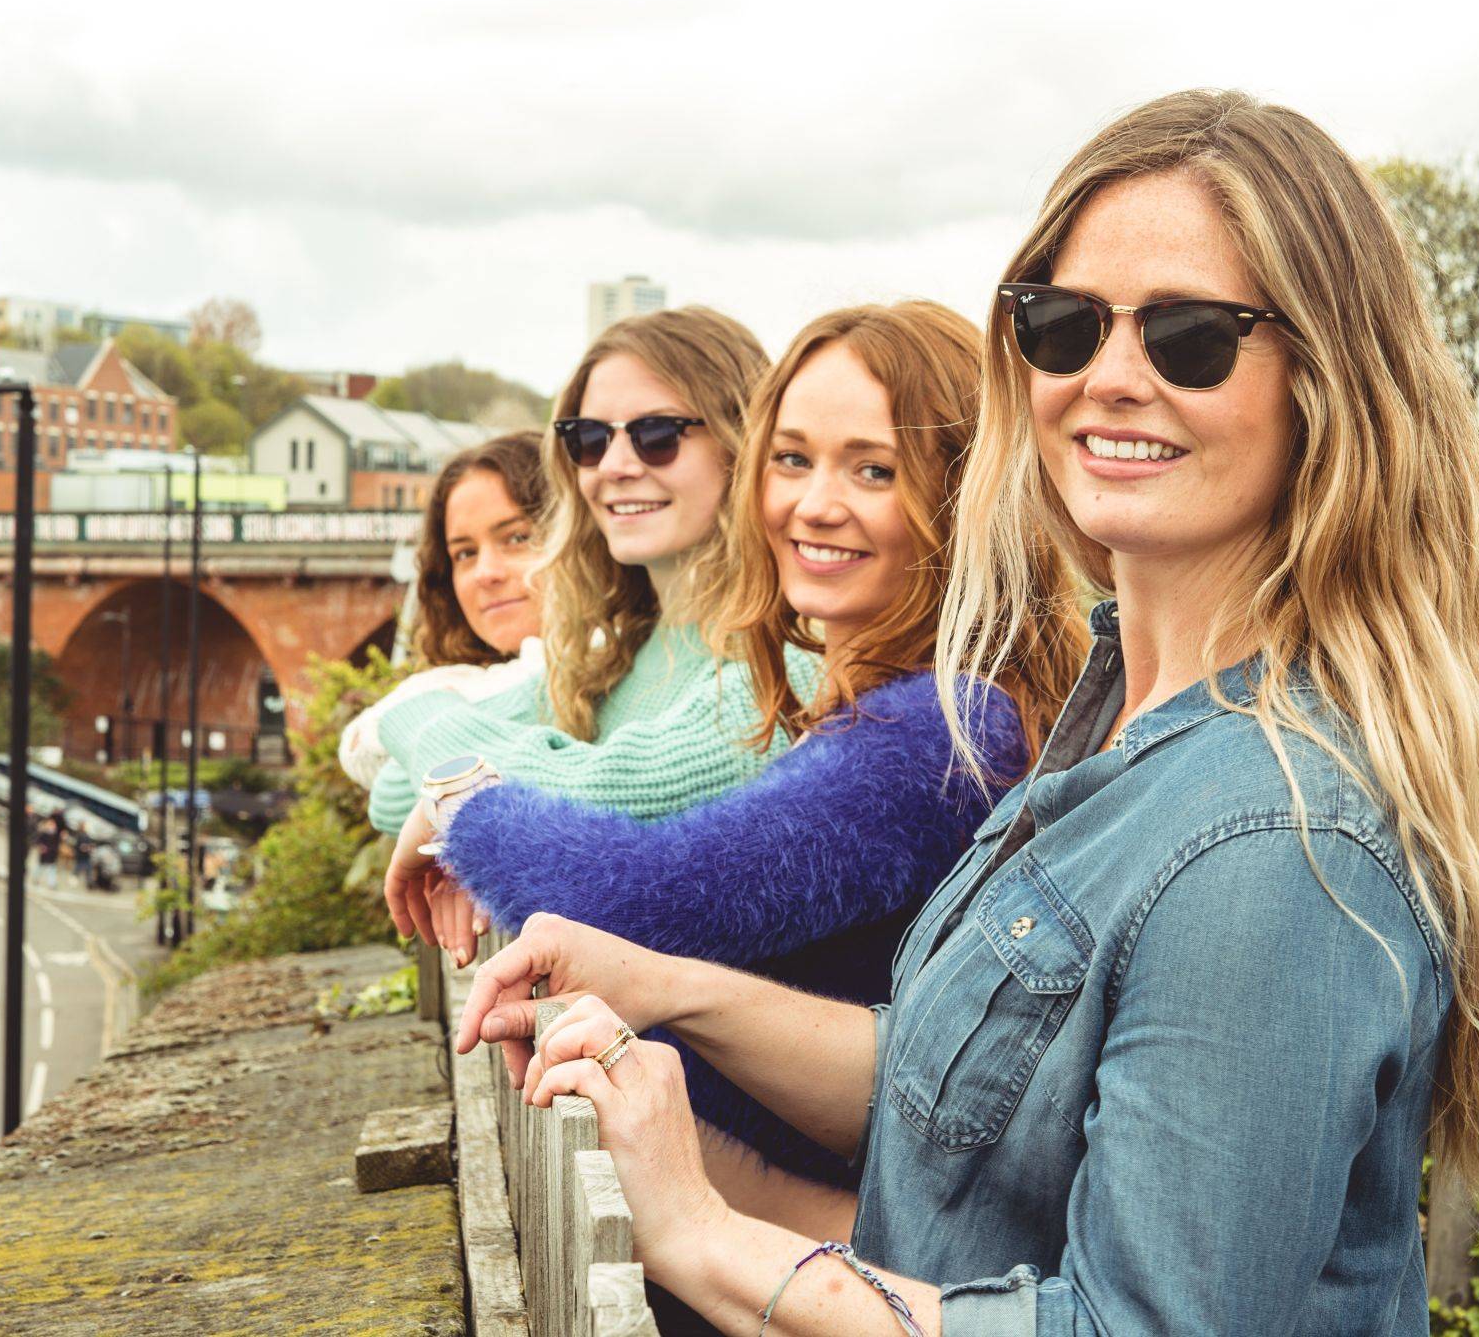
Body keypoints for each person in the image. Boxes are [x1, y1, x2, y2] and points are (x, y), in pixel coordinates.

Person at [443, 91, 1479, 1335]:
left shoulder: (1270, 843)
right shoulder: (1121, 718)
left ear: (1327, 382)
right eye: (1063, 326)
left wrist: (706, 1240)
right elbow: (952, 1105)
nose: (1109, 378)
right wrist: (664, 987)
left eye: (1190, 336)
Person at [386, 303, 1085, 1191]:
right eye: (792, 460)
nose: (814, 504)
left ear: (962, 493)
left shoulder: (944, 732)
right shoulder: (910, 705)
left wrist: (456, 800)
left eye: (874, 470)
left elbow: (637, 900)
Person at [365, 306, 820, 838]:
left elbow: (606, 794)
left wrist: (423, 722)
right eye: (590, 439)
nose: (615, 467)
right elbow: (393, 792)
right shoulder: (616, 653)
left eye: (657, 435)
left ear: (740, 441)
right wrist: (438, 747)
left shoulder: (789, 657)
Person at [340, 431, 549, 793]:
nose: (486, 573)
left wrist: (423, 708)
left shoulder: (619, 661)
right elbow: (357, 752)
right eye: (465, 553)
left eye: (517, 538)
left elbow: (389, 783)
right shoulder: (473, 679)